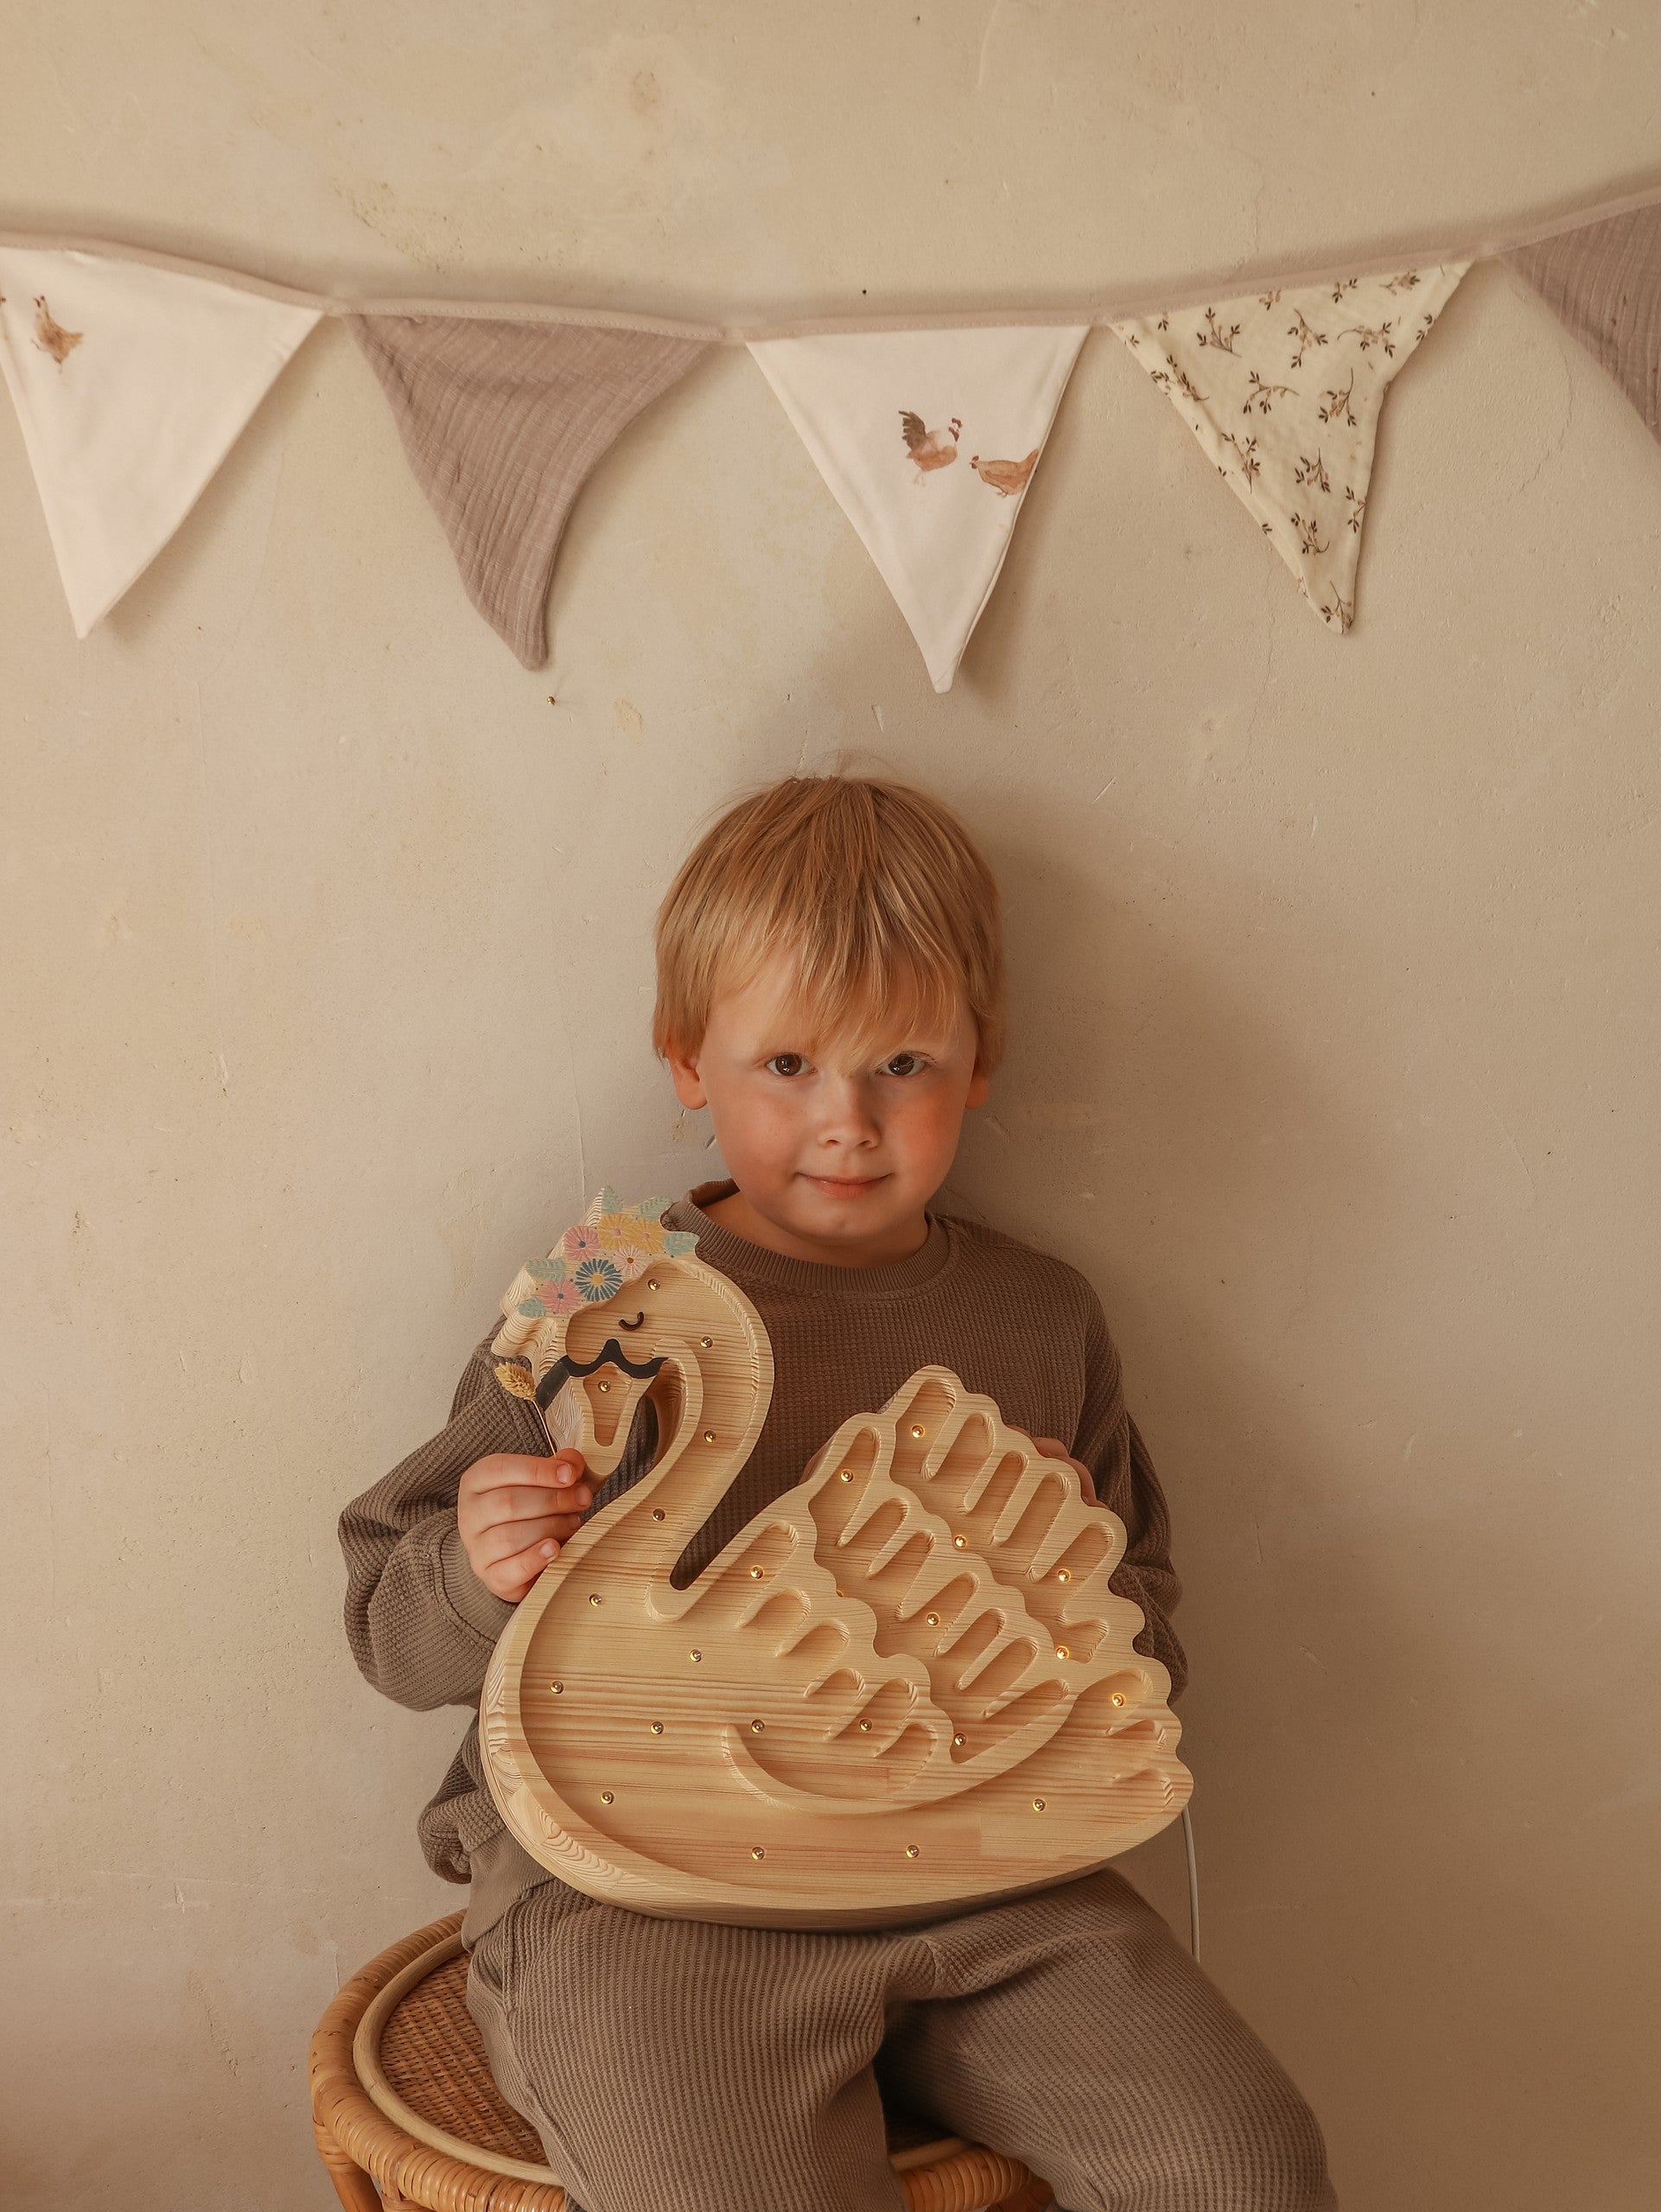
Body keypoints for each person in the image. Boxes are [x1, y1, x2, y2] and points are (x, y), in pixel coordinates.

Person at [340, 772, 1334, 2212]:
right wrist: (472, 1568)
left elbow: (1146, 1656)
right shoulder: (602, 1278)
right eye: (787, 1065)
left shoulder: (1039, 1314)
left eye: (904, 1067)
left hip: (982, 1879)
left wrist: (1069, 1593)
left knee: (1243, 2162)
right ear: (686, 1059)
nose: (847, 1123)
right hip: (637, 1893)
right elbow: (383, 1621)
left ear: (980, 1059)